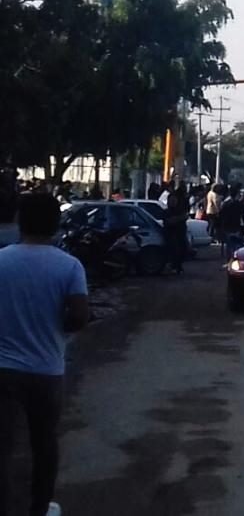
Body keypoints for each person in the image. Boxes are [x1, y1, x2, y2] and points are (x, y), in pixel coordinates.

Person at [0, 193, 90, 516]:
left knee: (4, 448)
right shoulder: (68, 266)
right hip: (46, 368)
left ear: (20, 222)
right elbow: (79, 316)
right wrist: (57, 324)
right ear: (55, 224)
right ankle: (39, 508)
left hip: (3, 369)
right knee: (44, 445)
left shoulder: (2, 261)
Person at [218, 185, 244, 261]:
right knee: (236, 245)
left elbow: (221, 215)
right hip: (236, 226)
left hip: (227, 226)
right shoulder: (239, 204)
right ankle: (235, 259)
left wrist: (220, 226)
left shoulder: (225, 204)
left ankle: (229, 261)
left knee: (229, 245)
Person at [164, 185, 189, 274]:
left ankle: (178, 266)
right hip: (172, 235)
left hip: (181, 234)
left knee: (183, 250)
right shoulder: (167, 211)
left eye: (175, 200)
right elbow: (169, 221)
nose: (173, 202)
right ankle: (174, 266)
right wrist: (180, 218)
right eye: (171, 200)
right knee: (174, 252)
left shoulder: (179, 210)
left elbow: (184, 218)